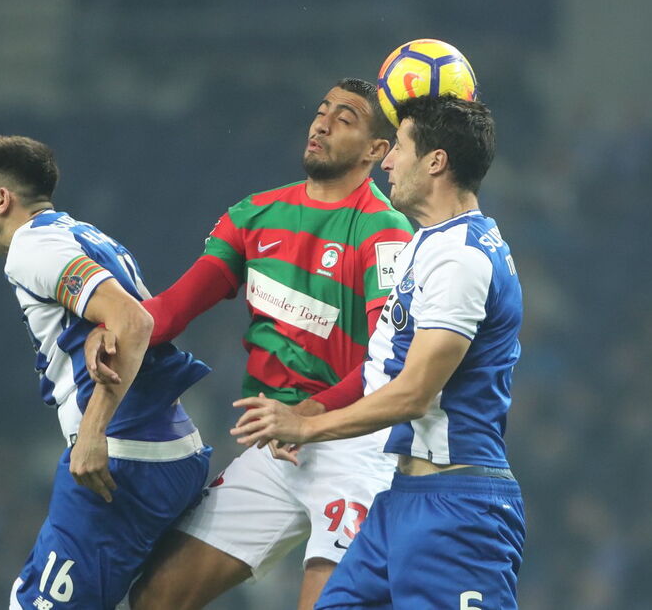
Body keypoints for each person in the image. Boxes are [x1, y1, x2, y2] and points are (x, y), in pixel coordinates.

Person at [86, 78, 413, 609]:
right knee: (155, 598)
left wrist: (308, 417)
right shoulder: (254, 215)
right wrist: (110, 329)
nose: (322, 123)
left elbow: (387, 363)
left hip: (354, 446)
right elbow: (171, 310)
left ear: (378, 151)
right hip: (276, 446)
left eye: (345, 118)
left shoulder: (387, 234)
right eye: (322, 110)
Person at [232, 94, 526, 609]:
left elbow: (412, 393)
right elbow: (378, 368)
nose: (387, 160)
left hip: (457, 512)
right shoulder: (430, 242)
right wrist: (307, 405)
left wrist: (306, 427)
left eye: (402, 148)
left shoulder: (460, 260)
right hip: (402, 501)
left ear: (436, 162)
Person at [0, 135, 212, 610]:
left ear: (2, 199)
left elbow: (135, 321)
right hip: (170, 450)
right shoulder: (84, 233)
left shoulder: (35, 249)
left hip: (124, 459)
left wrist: (93, 431)